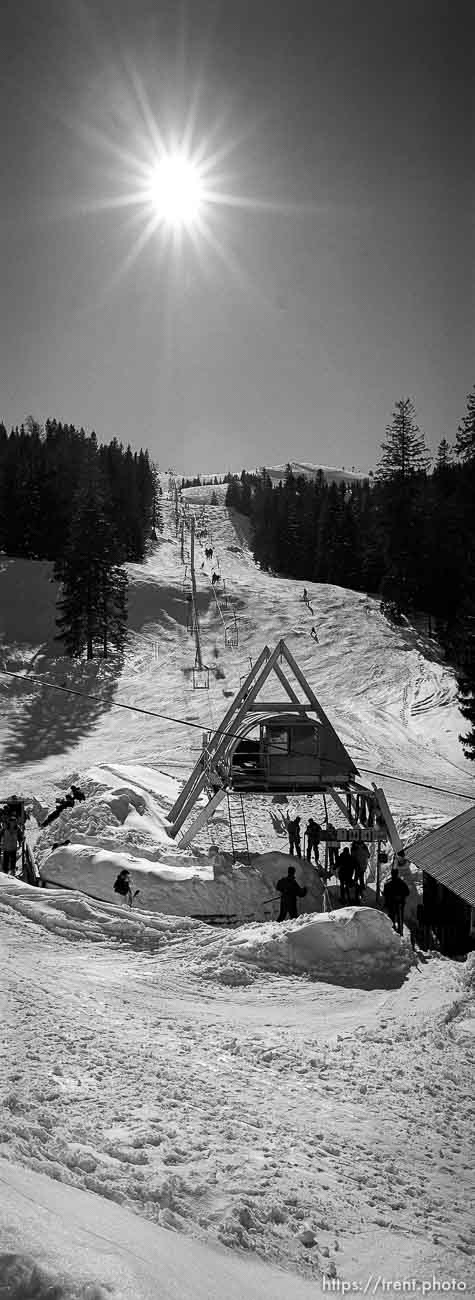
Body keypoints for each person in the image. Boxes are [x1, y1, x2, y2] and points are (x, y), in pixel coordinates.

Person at [383, 866, 409, 936]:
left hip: (391, 904)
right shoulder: (402, 883)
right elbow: (407, 892)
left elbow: (385, 894)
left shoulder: (387, 883)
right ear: (397, 874)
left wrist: (386, 902)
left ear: (391, 874)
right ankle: (400, 931)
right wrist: (400, 897)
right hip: (400, 904)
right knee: (400, 917)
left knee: (391, 918)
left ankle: (392, 932)